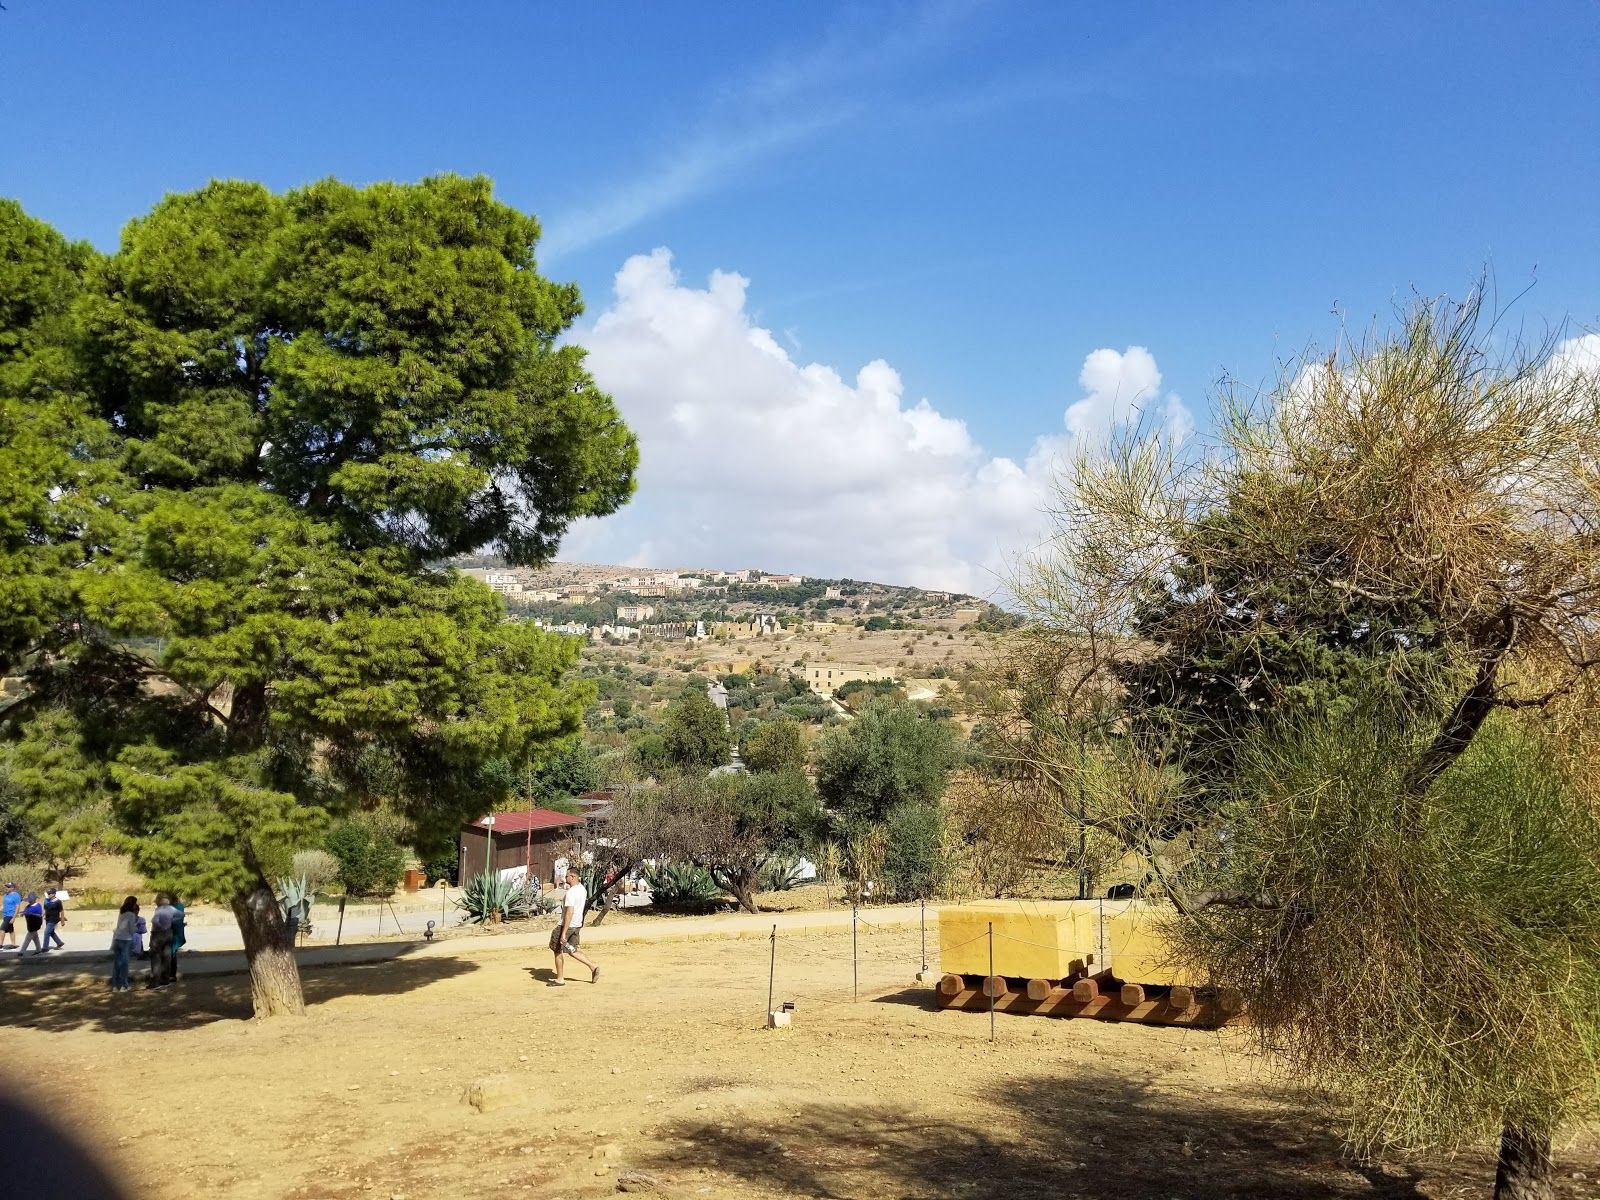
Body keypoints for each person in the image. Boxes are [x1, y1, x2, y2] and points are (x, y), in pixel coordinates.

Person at [549, 866, 600, 986]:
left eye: (567, 876)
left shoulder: (571, 892)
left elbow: (569, 912)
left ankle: (560, 979)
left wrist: (563, 932)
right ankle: (593, 966)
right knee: (572, 950)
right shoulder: (582, 889)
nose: (565, 877)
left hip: (567, 925)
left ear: (573, 877)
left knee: (557, 950)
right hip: (577, 925)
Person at [147, 893, 177, 988]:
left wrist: (161, 926)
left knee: (156, 958)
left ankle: (155, 981)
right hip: (169, 933)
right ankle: (165, 979)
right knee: (167, 957)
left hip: (158, 934)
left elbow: (155, 921)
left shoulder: (159, 910)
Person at [110, 897, 139, 993]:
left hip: (118, 938)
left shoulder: (121, 912)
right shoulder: (131, 915)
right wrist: (136, 927)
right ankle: (124, 985)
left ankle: (115, 985)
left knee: (117, 963)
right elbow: (132, 929)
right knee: (124, 963)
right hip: (126, 939)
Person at [41, 886, 66, 951]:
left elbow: (61, 911)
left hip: (54, 919)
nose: (48, 895)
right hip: (47, 919)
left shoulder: (58, 902)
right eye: (48, 893)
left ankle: (45, 947)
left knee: (46, 932)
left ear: (54, 894)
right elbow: (45, 909)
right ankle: (59, 943)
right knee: (51, 932)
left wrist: (62, 921)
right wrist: (41, 916)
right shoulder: (46, 900)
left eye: (50, 893)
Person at [168, 895, 186, 981]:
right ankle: (171, 974)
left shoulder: (174, 907)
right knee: (172, 953)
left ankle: (171, 974)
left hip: (173, 931)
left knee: (171, 954)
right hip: (176, 931)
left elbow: (176, 920)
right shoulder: (179, 906)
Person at [1, 881, 19, 950]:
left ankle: (0, 945)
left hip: (10, 915)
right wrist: (1, 908)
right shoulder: (5, 895)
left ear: (12, 888)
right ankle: (14, 945)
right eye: (6, 886)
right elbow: (3, 904)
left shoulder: (16, 895)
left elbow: (17, 907)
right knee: (11, 930)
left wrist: (14, 917)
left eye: (8, 887)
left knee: (2, 929)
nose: (6, 888)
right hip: (5, 915)